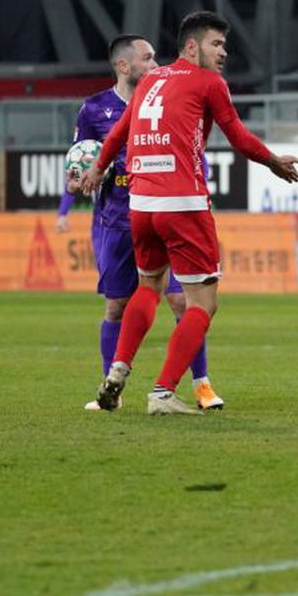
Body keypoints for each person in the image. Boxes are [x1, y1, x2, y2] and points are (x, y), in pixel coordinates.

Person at [80, 11, 298, 415]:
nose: (223, 52)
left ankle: (118, 370)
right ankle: (163, 392)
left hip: (141, 205)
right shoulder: (208, 82)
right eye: (215, 44)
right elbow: (237, 135)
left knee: (148, 287)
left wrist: (97, 168)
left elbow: (120, 133)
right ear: (190, 46)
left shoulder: (150, 81)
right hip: (182, 203)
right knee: (203, 303)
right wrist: (273, 161)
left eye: (224, 46)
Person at [58, 35, 223, 411]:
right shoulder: (93, 109)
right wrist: (76, 182)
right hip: (117, 221)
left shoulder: (168, 98)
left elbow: (195, 152)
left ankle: (201, 385)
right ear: (123, 66)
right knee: (116, 305)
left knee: (182, 301)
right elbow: (79, 161)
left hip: (165, 212)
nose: (155, 65)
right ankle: (110, 392)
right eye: (147, 59)